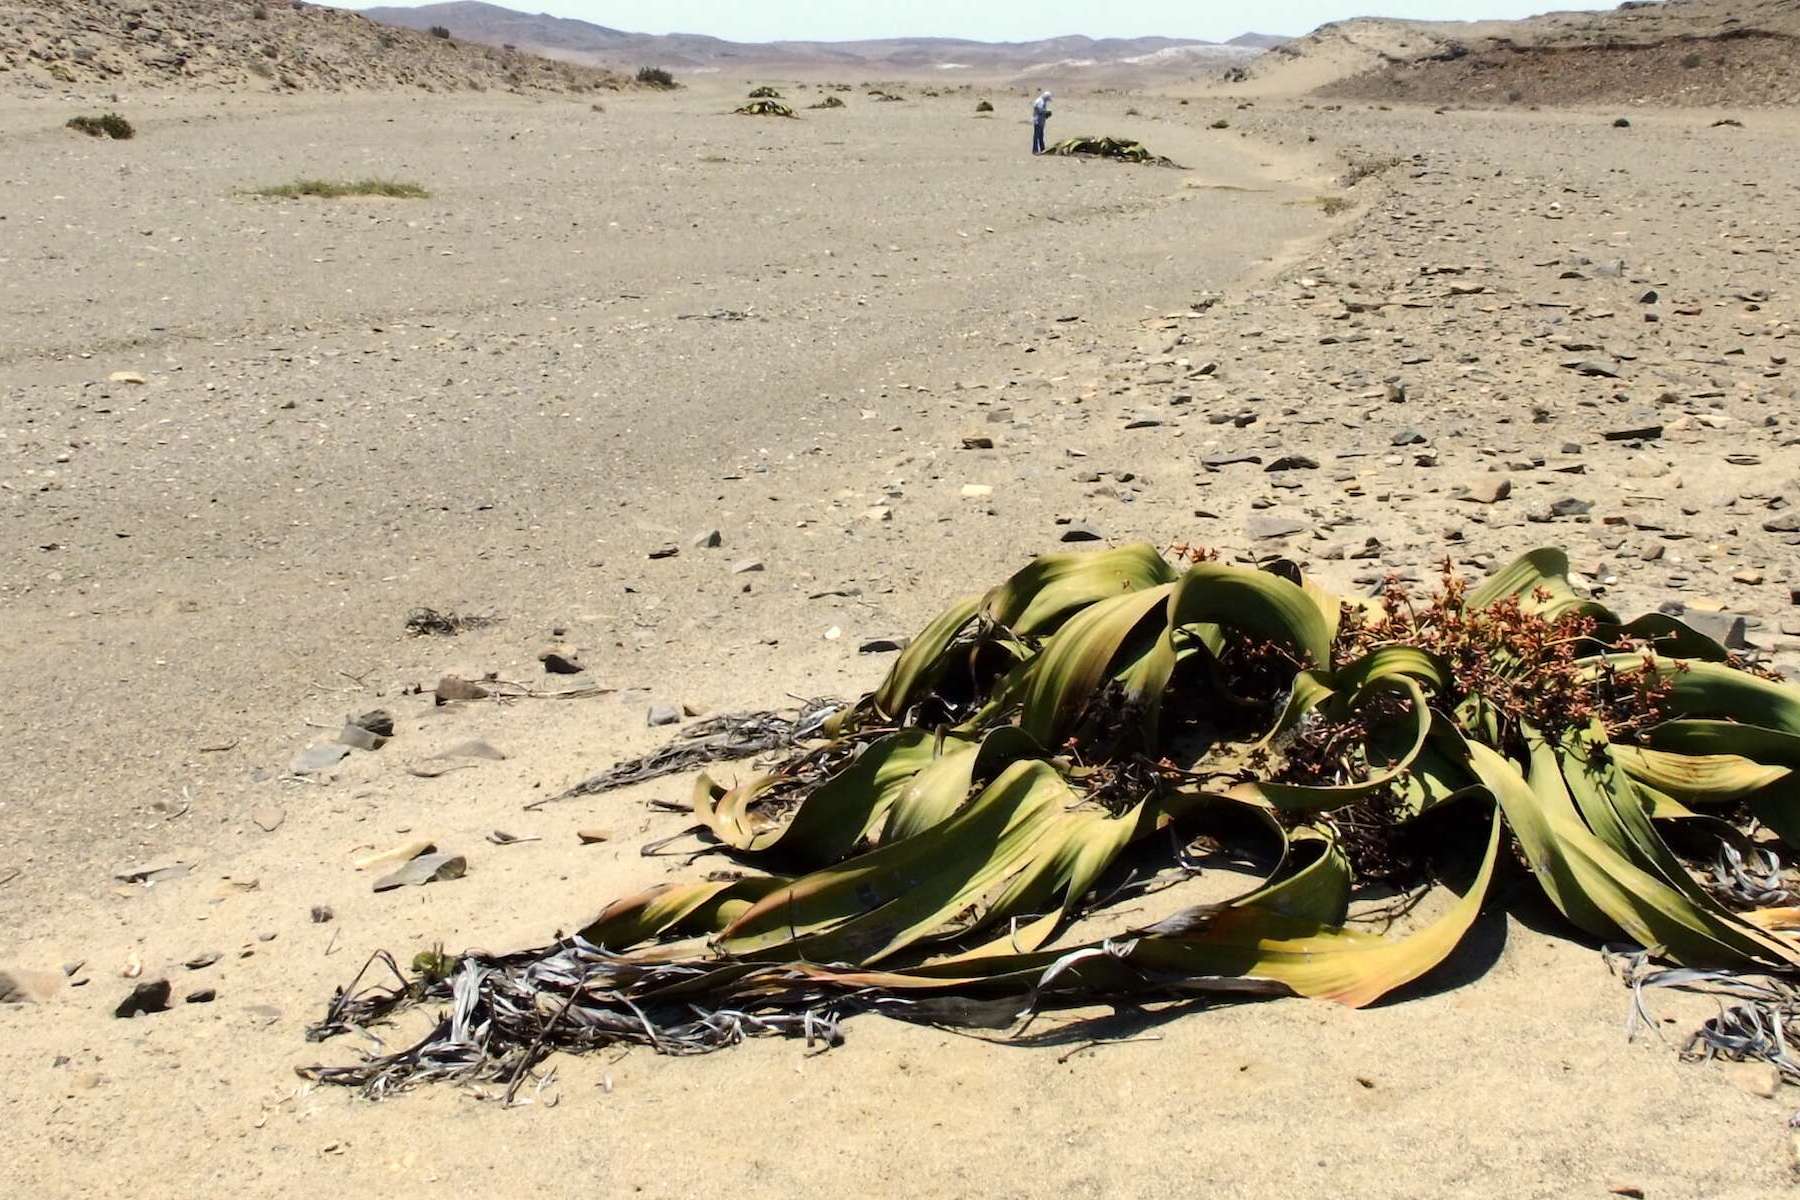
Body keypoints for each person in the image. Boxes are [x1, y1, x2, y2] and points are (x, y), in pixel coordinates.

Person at [1031, 89, 1052, 155]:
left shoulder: (1042, 101)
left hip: (1041, 121)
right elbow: (1040, 111)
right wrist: (1047, 112)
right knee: (1036, 136)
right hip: (1038, 121)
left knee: (1041, 135)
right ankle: (1035, 150)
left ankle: (1042, 148)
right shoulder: (1040, 101)